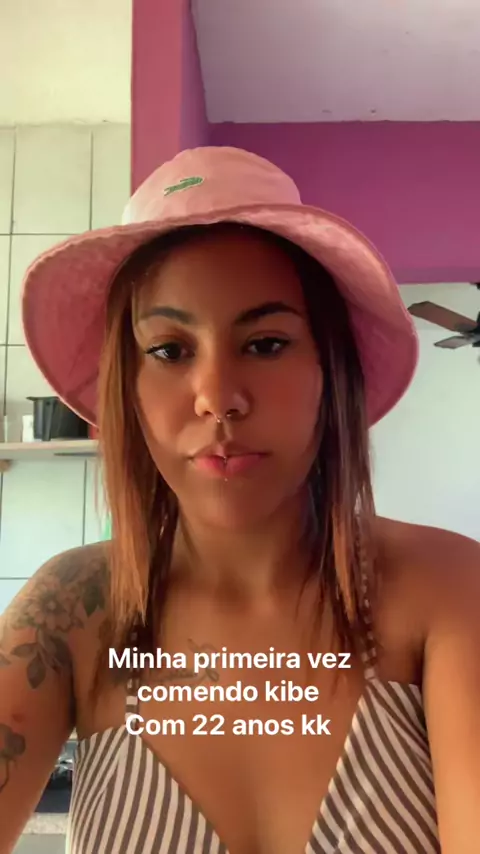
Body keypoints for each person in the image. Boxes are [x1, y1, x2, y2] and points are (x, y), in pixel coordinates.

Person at [0, 146, 478, 854]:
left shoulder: (447, 588)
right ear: (127, 386)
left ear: (329, 371)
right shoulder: (70, 611)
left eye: (265, 343)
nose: (218, 398)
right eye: (169, 350)